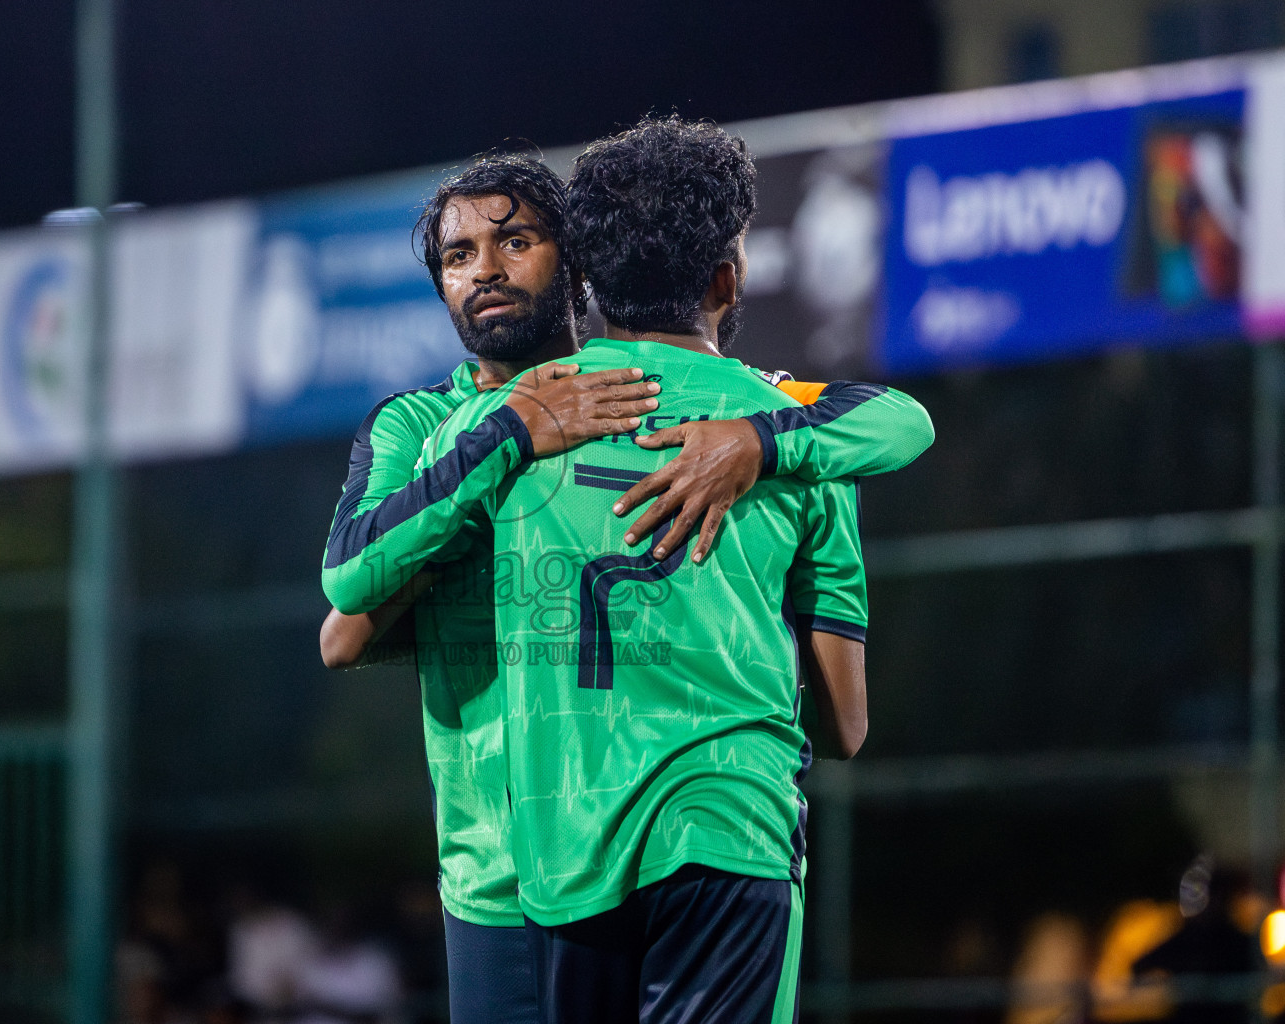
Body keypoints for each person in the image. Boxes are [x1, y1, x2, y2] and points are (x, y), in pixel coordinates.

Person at [319, 150, 932, 1023]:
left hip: (567, 845)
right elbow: (341, 619)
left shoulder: (731, 414)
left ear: (579, 260)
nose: (485, 270)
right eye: (457, 257)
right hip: (500, 859)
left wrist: (756, 442)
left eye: (515, 241)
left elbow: (346, 626)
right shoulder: (438, 427)